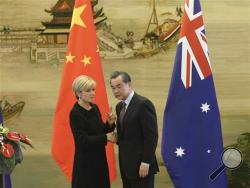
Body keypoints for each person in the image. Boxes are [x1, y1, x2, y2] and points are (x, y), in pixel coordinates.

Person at [110, 71, 159, 188]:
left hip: (142, 167)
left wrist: (146, 162)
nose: (116, 91)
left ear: (129, 84)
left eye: (119, 86)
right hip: (126, 167)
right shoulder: (119, 107)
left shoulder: (143, 104)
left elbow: (151, 136)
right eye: (113, 88)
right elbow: (127, 136)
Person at [69, 75, 116, 188]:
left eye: (93, 90)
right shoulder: (75, 113)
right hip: (85, 164)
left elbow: (100, 131)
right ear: (79, 93)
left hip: (99, 160)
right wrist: (106, 138)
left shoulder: (94, 108)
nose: (93, 93)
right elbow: (82, 141)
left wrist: (109, 124)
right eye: (88, 90)